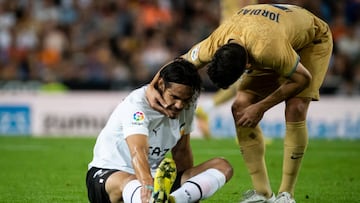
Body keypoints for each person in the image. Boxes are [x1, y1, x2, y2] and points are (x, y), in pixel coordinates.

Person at [145, 4, 333, 203]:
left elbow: (302, 79)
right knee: (240, 108)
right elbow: (179, 63)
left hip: (311, 40)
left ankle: (286, 195)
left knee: (296, 107)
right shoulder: (216, 41)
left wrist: (261, 107)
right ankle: (263, 194)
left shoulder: (268, 49)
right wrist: (151, 85)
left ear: (247, 65)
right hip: (267, 34)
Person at [86, 58, 233, 203]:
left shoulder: (188, 104)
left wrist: (188, 189)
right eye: (174, 97)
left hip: (157, 178)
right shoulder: (137, 104)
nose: (179, 105)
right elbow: (138, 150)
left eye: (185, 99)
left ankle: (175, 200)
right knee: (132, 181)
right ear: (161, 84)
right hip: (110, 174)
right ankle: (150, 199)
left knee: (222, 166)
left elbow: (181, 151)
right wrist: (147, 183)